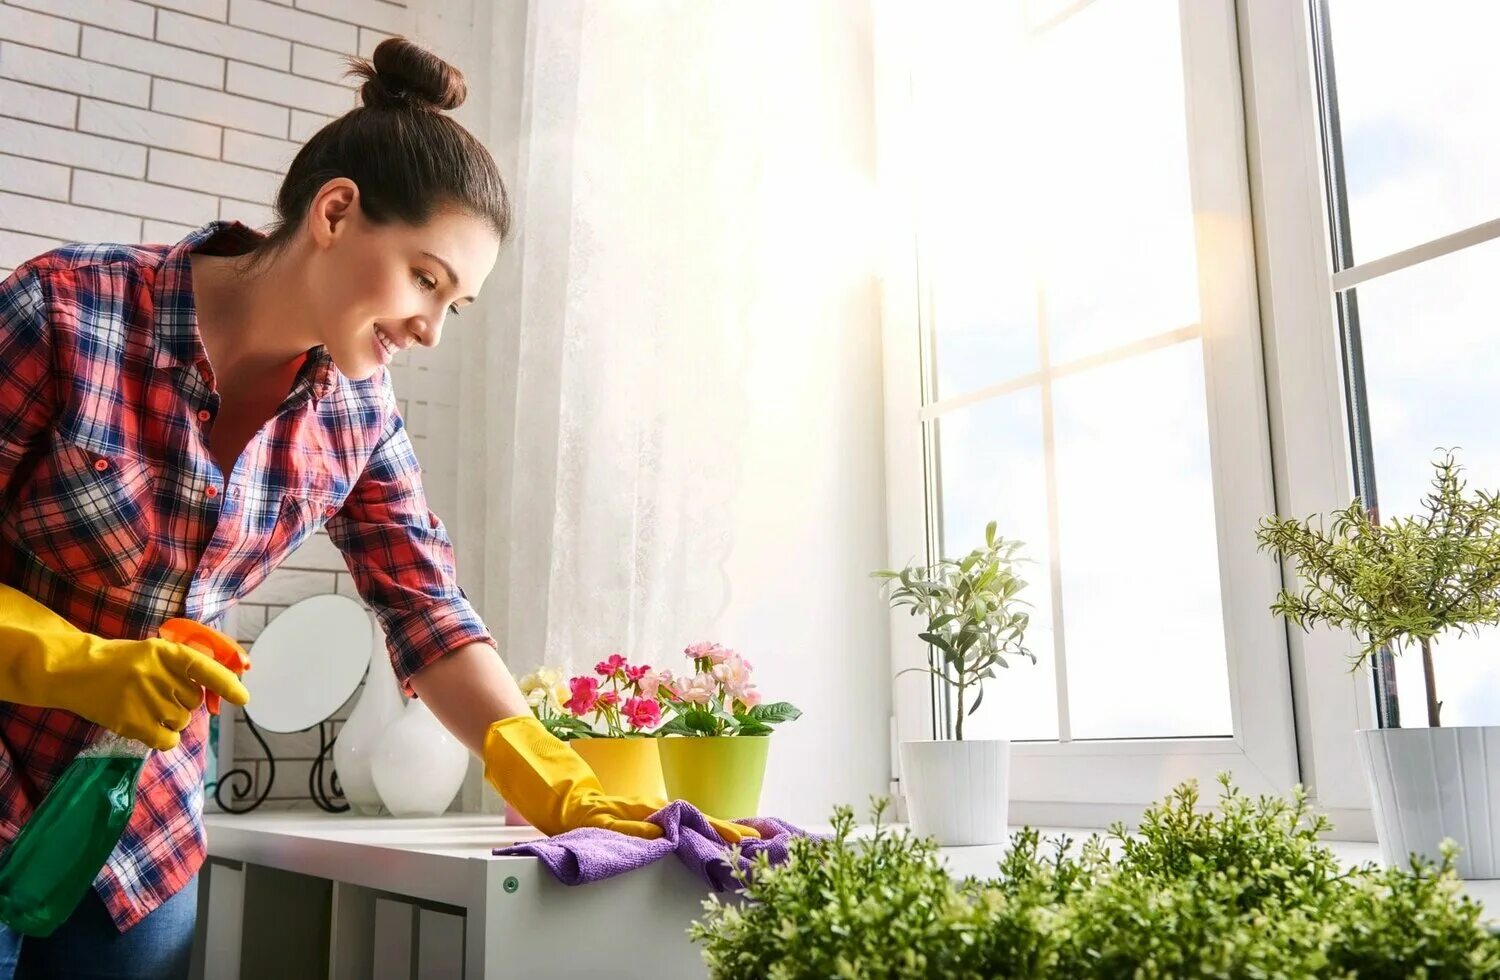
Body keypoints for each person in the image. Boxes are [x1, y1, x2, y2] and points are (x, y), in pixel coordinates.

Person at [0, 38, 755, 979]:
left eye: (457, 305)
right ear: (335, 210)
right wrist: (77, 663)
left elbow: (425, 610)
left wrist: (556, 778)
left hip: (137, 845)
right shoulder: (67, 313)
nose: (431, 329)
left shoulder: (358, 414)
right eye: (425, 278)